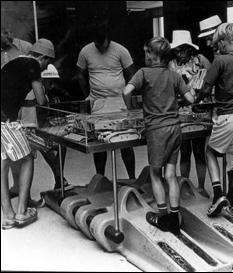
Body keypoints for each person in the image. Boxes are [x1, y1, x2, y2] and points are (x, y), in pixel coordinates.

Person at [123, 37, 194, 235]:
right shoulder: (174, 75)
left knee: (155, 173)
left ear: (153, 56)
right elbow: (190, 98)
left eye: (147, 53)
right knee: (170, 175)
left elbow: (126, 91)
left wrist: (133, 106)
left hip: (156, 131)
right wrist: (176, 104)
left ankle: (163, 218)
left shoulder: (143, 73)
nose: (145, 56)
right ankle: (174, 217)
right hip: (175, 128)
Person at [195, 22, 233, 224]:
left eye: (217, 43)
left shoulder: (220, 60)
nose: (217, 47)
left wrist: (196, 102)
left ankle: (218, 193)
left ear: (223, 41)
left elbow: (205, 89)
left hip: (228, 115)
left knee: (210, 152)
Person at [1, 38, 54, 229]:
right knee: (27, 159)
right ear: (41, 57)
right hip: (6, 120)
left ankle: (7, 215)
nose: (47, 66)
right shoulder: (33, 65)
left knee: (3, 163)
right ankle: (22, 212)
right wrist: (46, 92)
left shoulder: (14, 63)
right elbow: (40, 100)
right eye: (47, 62)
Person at [77, 22, 136, 179]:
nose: (101, 48)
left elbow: (131, 74)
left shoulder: (121, 50)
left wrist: (127, 96)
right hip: (98, 103)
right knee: (99, 144)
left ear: (109, 39)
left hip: (119, 102)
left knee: (126, 141)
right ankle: (100, 179)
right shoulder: (85, 51)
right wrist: (88, 96)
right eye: (98, 44)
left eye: (103, 44)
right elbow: (81, 75)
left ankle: (132, 178)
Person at [198, 15, 233, 205]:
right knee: (229, 153)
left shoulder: (227, 56)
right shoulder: (222, 55)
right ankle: (230, 192)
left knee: (231, 153)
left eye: (211, 38)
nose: (209, 42)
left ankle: (231, 192)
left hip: (229, 110)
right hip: (224, 108)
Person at [168, 30, 211, 198]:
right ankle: (185, 184)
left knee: (199, 151)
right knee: (184, 151)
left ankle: (201, 186)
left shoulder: (200, 60)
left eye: (182, 49)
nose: (180, 53)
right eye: (177, 49)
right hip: (180, 111)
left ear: (189, 48)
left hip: (200, 110)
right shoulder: (171, 64)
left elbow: (213, 78)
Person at [17, 64, 73, 192]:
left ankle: (60, 180)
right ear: (43, 79)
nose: (52, 85)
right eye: (51, 81)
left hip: (25, 130)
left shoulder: (28, 90)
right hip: (30, 132)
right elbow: (41, 116)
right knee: (60, 144)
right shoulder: (40, 91)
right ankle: (59, 181)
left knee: (48, 149)